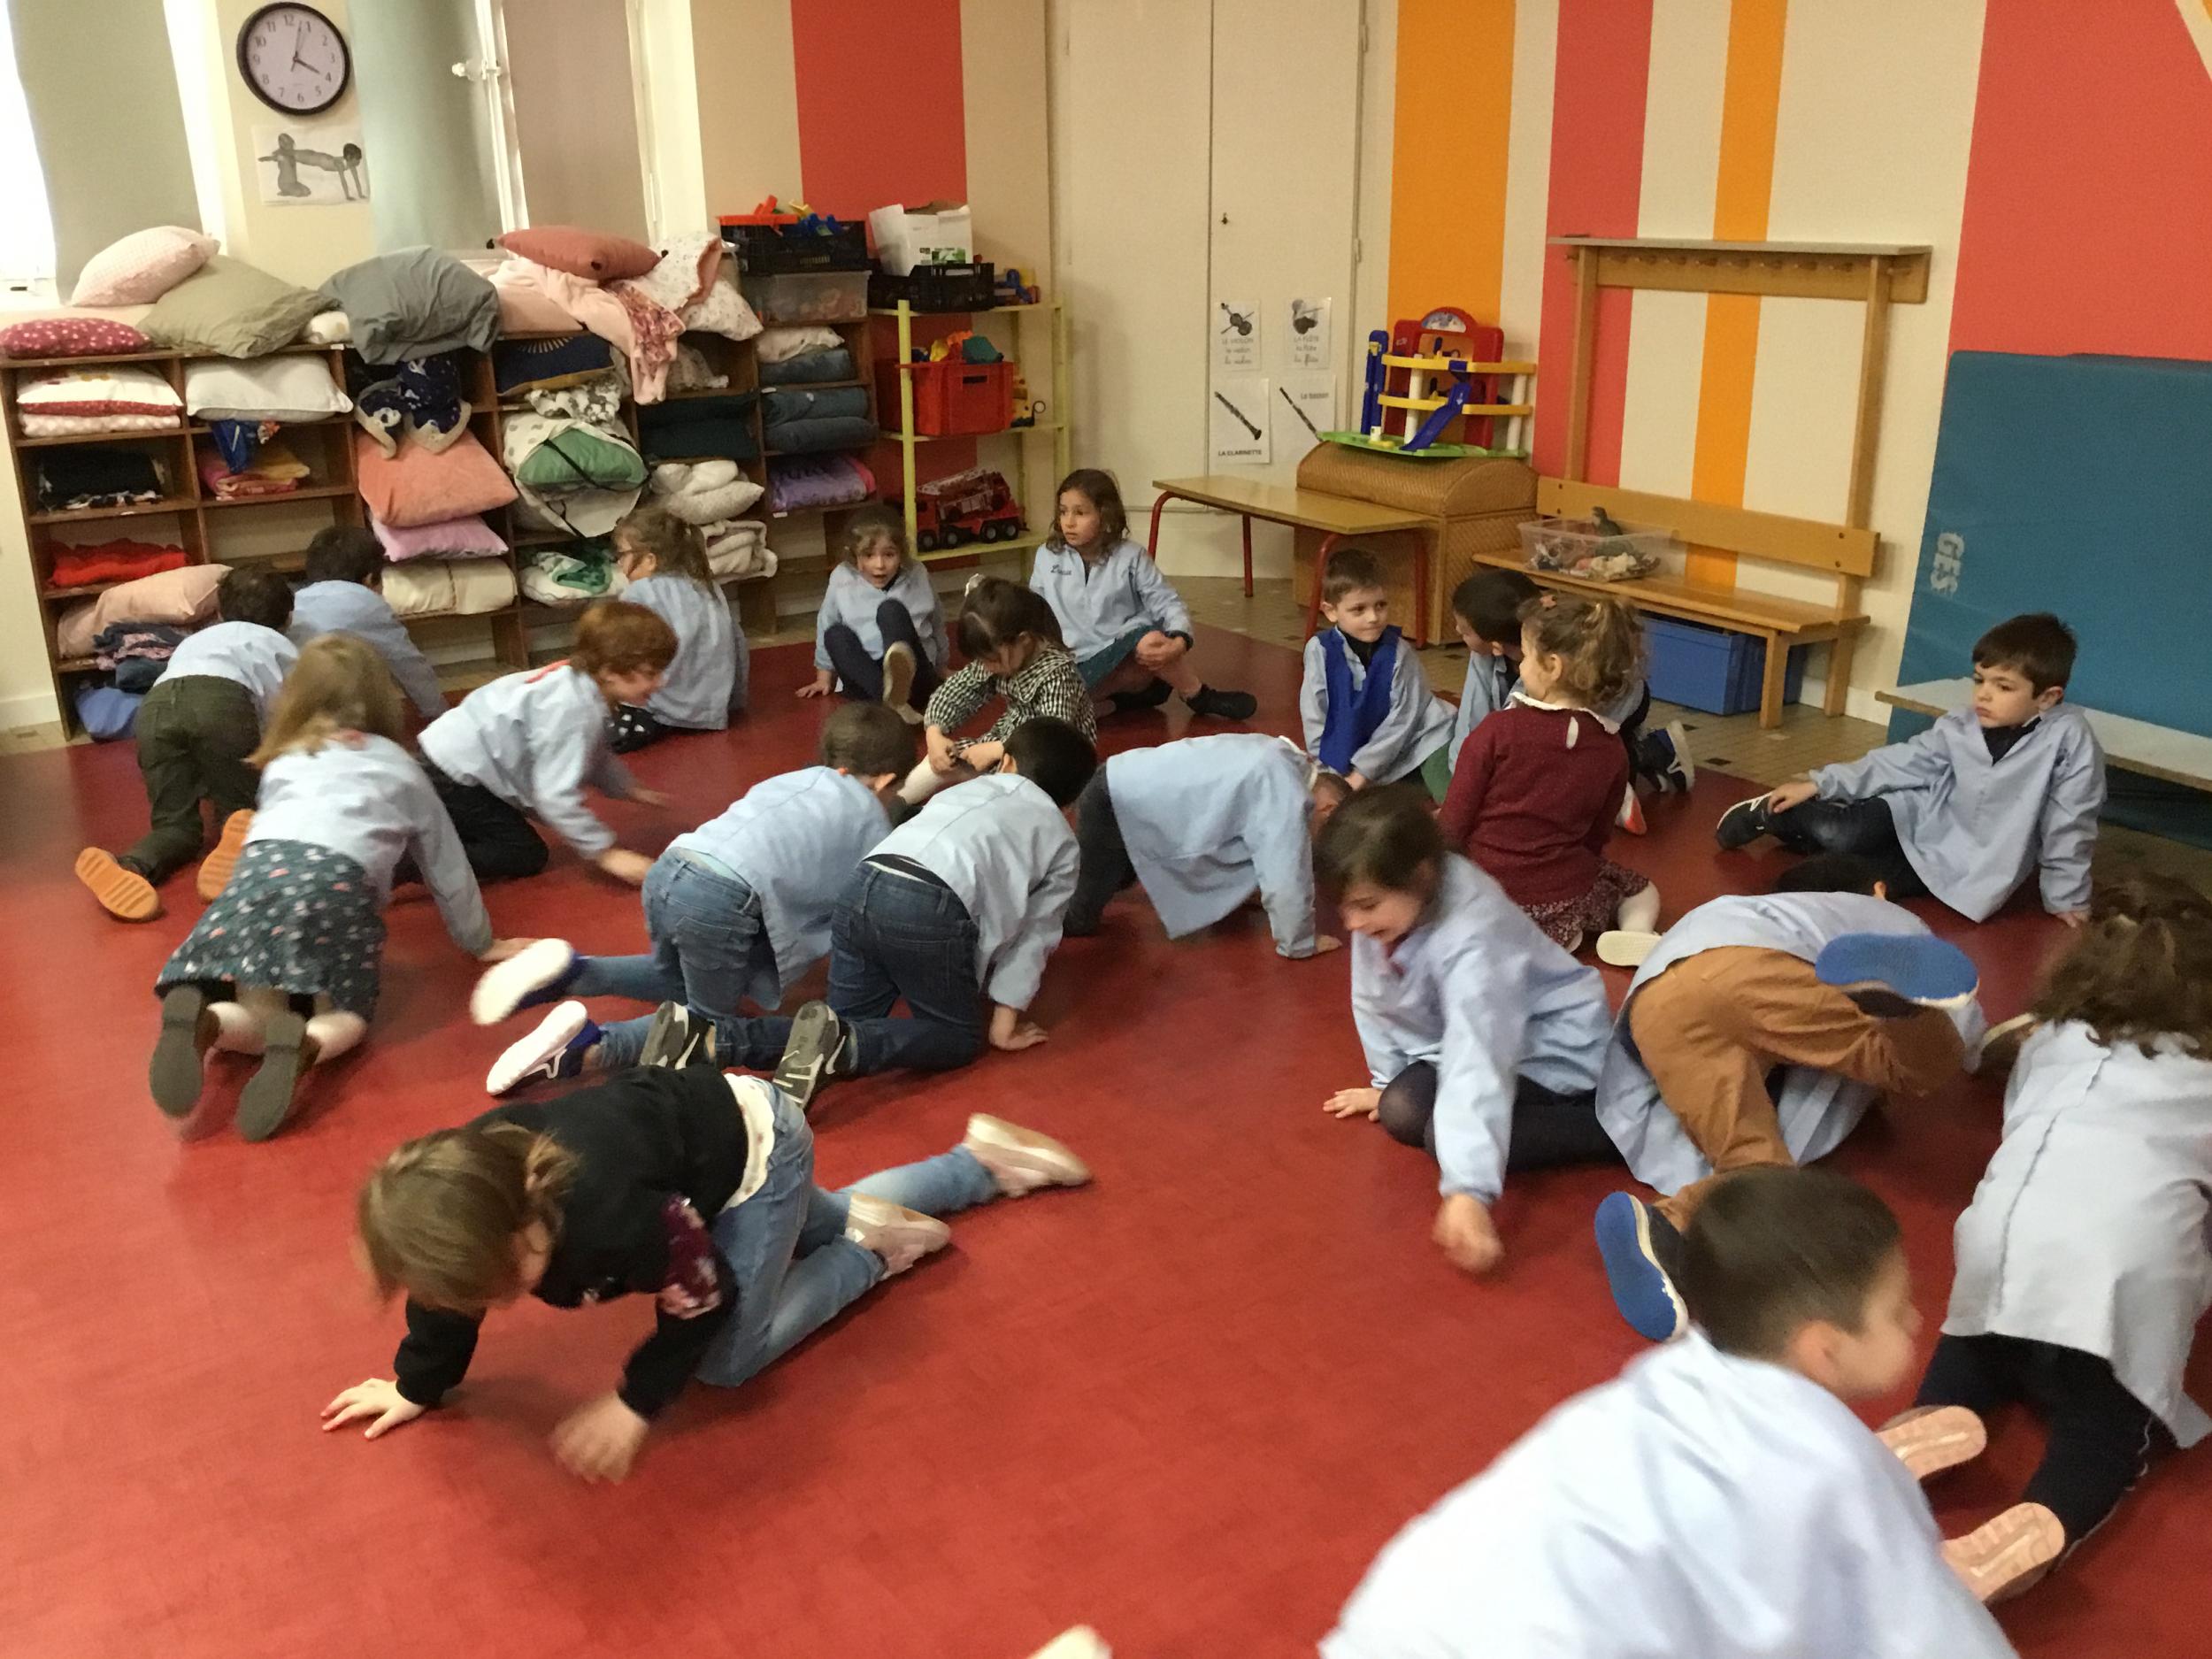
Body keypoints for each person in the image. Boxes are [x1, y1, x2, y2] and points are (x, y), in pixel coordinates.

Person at [1323, 1166, 2016, 1659]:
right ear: (1824, 1348)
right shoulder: (1836, 1467)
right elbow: (1926, 1633)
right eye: (1896, 1309)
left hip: (1398, 1616)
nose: (1917, 1318)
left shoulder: (1669, 1380)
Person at [321, 1058, 1093, 1483]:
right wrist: (418, 1384)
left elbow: (704, 1293)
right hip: (694, 1158)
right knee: (819, 1222)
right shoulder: (470, 1192)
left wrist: (635, 1400)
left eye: (505, 1280)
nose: (497, 1301)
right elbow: (445, 1295)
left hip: (757, 1154)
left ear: (526, 1214)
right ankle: (979, 1163)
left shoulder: (611, 1213)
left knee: (725, 1361)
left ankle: (870, 1255)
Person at [1880, 874, 2212, 1604]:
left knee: (1977, 1342)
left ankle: (1944, 1413)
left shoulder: (2052, 1042)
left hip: (2005, 1233)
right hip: (2121, 1266)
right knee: (2107, 1423)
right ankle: (2048, 1516)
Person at [487, 718, 1096, 1101]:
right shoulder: (1057, 836)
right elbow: (1036, 934)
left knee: (833, 1018)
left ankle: (578, 974)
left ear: (1006, 763)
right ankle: (602, 1043)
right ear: (1067, 802)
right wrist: (1004, 1019)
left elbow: (892, 836)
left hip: (704, 867)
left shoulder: (955, 789)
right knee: (954, 1037)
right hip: (906, 904)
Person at [148, 636, 521, 1140]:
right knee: (347, 1013)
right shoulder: (402, 768)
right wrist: (480, 940)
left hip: (257, 875)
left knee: (257, 1003)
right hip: (338, 885)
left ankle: (207, 1020)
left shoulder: (284, 758)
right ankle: (306, 1044)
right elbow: (446, 864)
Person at [1590, 873, 1983, 1343]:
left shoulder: (1749, 907)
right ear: (1877, 890)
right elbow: (1964, 1020)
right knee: (1913, 1065)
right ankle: (1902, 1010)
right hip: (1752, 972)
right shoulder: (1891, 921)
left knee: (1756, 1167)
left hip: (1654, 1002)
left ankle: (1662, 1226)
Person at [468, 703, 914, 1068]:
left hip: (674, 866)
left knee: (676, 978)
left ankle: (572, 974)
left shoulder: (796, 779)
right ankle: (591, 1046)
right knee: (709, 1028)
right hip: (722, 899)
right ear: (885, 781)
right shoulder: (872, 822)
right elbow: (869, 908)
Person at [1317, 787, 1617, 1276]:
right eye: (1345, 908)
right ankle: (1466, 1130)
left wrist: (1468, 1190)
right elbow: (1372, 997)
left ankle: (1610, 1127)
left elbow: (1480, 1053)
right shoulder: (1397, 902)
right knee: (1401, 1107)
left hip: (1554, 1049)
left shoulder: (1474, 935)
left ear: (1420, 876)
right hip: (1480, 1041)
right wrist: (1384, 1079)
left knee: (1441, 1136)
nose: (1352, 923)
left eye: (1366, 906)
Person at [1716, 612, 2105, 925]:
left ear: (2047, 697)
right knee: (1843, 832)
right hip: (1918, 815)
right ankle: (1776, 813)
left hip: (1960, 865)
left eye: (2003, 687)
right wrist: (1820, 783)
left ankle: (1803, 833)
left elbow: (2070, 822)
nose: (1984, 695)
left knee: (1846, 877)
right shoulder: (1961, 724)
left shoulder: (2069, 742)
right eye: (1980, 680)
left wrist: (2065, 898)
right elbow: (1903, 761)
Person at [1438, 593, 1663, 954]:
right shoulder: (1612, 749)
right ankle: (1637, 931)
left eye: (1526, 656)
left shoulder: (1497, 730)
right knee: (1641, 891)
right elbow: (1597, 836)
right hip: (1563, 900)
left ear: (1553, 666)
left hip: (1484, 895)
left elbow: (1454, 820)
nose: (1521, 667)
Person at [73, 565, 298, 921]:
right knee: (241, 811)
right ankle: (238, 841)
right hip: (222, 702)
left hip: (155, 709)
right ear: (288, 618)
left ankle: (131, 866)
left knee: (174, 826)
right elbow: (284, 722)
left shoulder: (196, 640)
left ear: (220, 612)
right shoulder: (281, 647)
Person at [416, 598, 674, 885]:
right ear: (610, 672)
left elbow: (595, 753)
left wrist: (626, 787)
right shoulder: (575, 711)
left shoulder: (580, 682)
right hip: (455, 774)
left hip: (451, 756)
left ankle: (441, 828)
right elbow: (554, 796)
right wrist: (606, 853)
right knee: (524, 854)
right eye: (651, 673)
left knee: (501, 829)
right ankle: (416, 860)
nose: (661, 682)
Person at [1064, 732, 1350, 958]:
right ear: (1328, 808)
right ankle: (1039, 902)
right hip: (1115, 801)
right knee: (1079, 918)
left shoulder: (1282, 758)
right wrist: (1301, 942)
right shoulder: (1286, 793)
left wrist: (1246, 891)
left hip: (1123, 784)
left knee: (1115, 878)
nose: (1314, 843)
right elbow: (1286, 874)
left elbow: (1242, 831)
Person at [1444, 568, 1690, 815]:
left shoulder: (1565, 673)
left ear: (1497, 646)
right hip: (1571, 722)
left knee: (1585, 784)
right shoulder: (1500, 657)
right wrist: (1463, 781)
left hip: (1609, 714)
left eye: (1465, 631)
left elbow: (1560, 745)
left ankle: (1650, 749)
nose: (1456, 631)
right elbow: (1472, 722)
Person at [1029, 467, 1256, 720]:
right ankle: (1101, 705)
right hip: (1072, 664)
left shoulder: (1131, 556)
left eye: (1080, 513)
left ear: (1105, 515)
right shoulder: (1047, 556)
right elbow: (1033, 614)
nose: (1069, 522)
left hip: (1124, 652)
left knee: (1150, 641)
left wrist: (1179, 642)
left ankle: (1198, 695)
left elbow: (1168, 602)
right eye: (1063, 512)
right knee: (1052, 702)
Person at [903, 576, 1095, 806]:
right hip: (1009, 742)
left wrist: (999, 749)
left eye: (992, 660)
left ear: (1023, 640)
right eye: (982, 660)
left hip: (1050, 762)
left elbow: (1049, 739)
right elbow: (960, 688)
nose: (987, 668)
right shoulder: (1001, 655)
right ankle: (894, 803)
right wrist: (934, 732)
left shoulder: (1059, 674)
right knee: (942, 761)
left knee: (1000, 800)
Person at [1299, 546, 1453, 801]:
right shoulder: (1318, 650)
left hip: (1420, 739)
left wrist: (1361, 774)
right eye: (1359, 609)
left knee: (1449, 794)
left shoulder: (1400, 652)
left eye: (1380, 605)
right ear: (1331, 611)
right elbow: (1315, 715)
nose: (1373, 618)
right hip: (1366, 751)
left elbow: (1402, 721)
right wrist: (1329, 771)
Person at [606, 504, 747, 753]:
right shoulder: (706, 586)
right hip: (712, 709)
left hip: (664, 709)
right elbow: (738, 644)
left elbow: (625, 654)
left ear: (649, 560)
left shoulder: (641, 592)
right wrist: (734, 700)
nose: (619, 562)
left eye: (622, 554)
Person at [286, 525, 447, 720]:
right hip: (335, 713)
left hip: (289, 711)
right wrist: (438, 713)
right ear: (370, 579)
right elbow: (409, 666)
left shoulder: (296, 600)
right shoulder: (365, 603)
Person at [799, 505, 947, 718]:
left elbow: (937, 620)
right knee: (835, 634)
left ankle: (895, 695)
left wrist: (941, 667)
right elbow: (826, 623)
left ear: (901, 553)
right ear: (854, 556)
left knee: (891, 610)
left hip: (915, 676)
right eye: (868, 555)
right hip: (868, 681)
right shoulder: (842, 577)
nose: (880, 565)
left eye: (889, 555)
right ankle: (891, 702)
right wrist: (823, 678)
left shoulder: (917, 573)